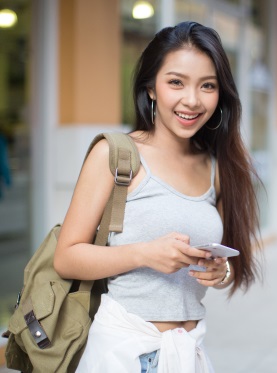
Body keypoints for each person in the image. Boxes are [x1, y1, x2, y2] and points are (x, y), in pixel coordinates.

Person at [54, 21, 262, 373]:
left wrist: (220, 271)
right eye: (176, 82)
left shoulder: (217, 166)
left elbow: (229, 265)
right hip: (124, 352)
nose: (192, 100)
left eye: (207, 86)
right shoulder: (116, 154)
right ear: (151, 87)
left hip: (188, 352)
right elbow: (67, 257)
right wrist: (145, 254)